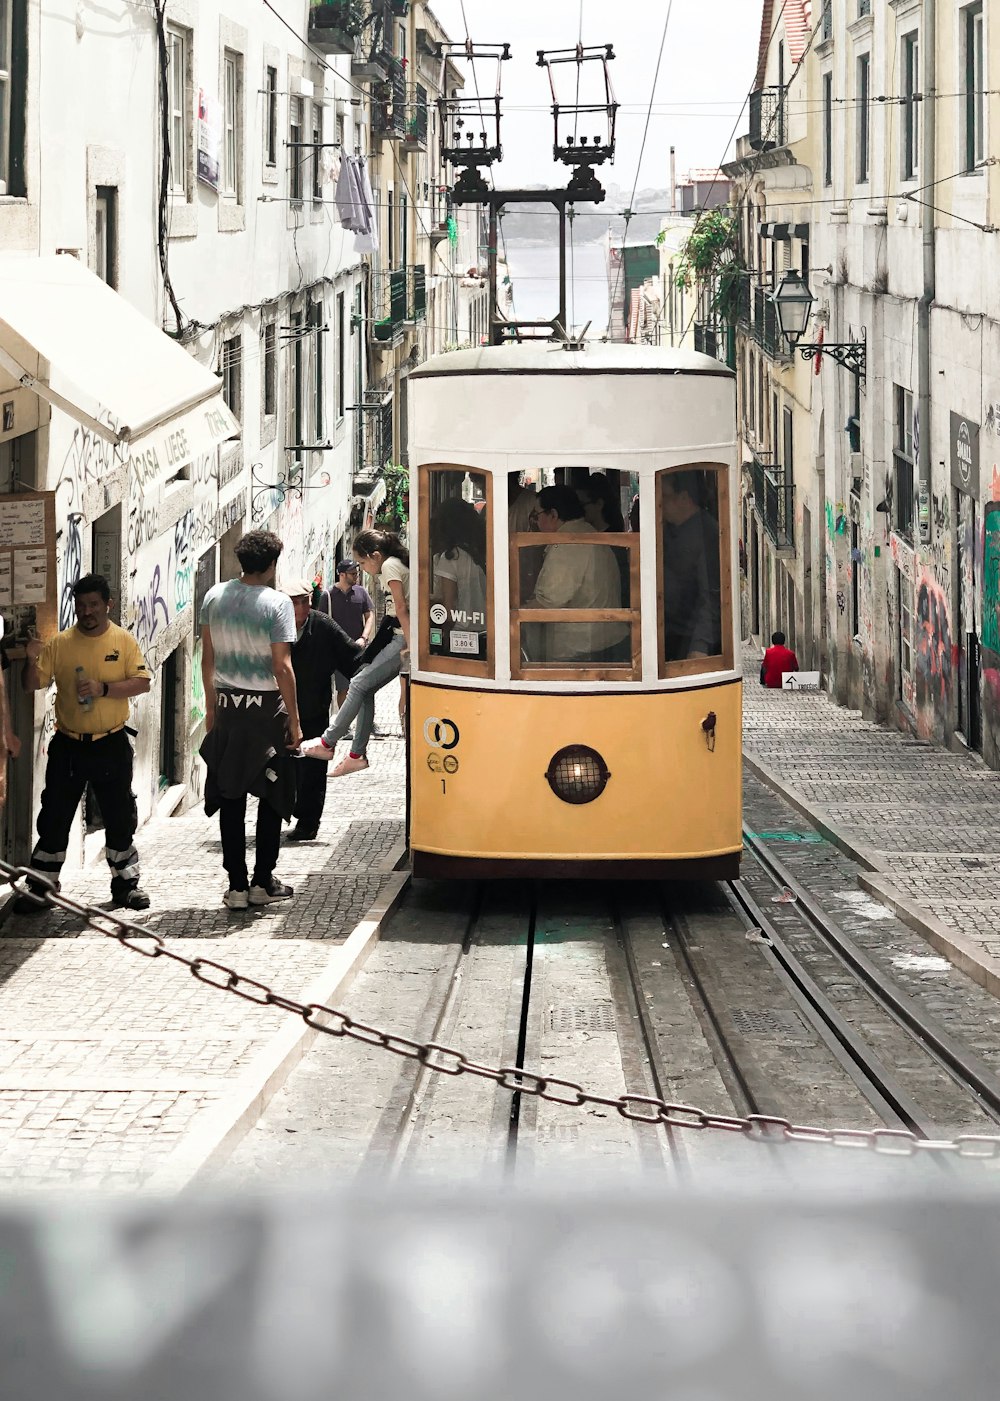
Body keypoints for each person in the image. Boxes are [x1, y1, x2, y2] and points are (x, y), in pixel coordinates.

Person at [15, 574, 151, 913]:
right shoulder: (60, 643)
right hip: (69, 745)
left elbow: (142, 683)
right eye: (81, 606)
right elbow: (31, 685)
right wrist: (32, 658)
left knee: (120, 817)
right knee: (54, 817)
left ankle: (126, 885)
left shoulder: (124, 641)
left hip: (111, 744)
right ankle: (42, 886)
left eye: (93, 605)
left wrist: (104, 689)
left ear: (108, 605)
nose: (86, 612)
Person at [199, 530, 301, 910]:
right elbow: (282, 666)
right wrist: (295, 719)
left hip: (228, 708)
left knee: (231, 796)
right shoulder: (277, 605)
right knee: (272, 795)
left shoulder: (214, 597)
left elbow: (207, 657)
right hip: (266, 711)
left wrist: (211, 707)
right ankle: (262, 882)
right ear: (272, 564)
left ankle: (236, 886)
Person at [299, 528, 409, 775]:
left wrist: (411, 645)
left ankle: (328, 742)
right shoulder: (392, 564)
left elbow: (401, 607)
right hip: (398, 636)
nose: (362, 570)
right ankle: (356, 754)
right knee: (364, 688)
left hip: (402, 638)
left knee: (358, 683)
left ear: (375, 556)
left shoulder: (389, 566)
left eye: (362, 563)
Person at [283, 579, 362, 842]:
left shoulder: (323, 626)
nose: (301, 607)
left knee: (313, 770)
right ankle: (283, 812)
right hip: (280, 712)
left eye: (305, 600)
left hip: (314, 710)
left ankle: (308, 823)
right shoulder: (271, 626)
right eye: (294, 602)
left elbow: (352, 658)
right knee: (284, 769)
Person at [524, 485, 627, 663]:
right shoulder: (588, 532)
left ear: (553, 515)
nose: (536, 523)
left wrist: (512, 613)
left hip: (582, 650)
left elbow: (548, 602)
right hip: (603, 640)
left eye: (537, 515)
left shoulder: (567, 544)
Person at [661, 470, 722, 662]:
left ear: (684, 497)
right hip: (671, 632)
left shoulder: (706, 533)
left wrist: (700, 646)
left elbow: (712, 593)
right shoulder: (669, 528)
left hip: (687, 640)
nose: (659, 503)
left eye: (664, 496)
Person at [431, 496, 487, 642]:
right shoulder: (484, 552)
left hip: (461, 635)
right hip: (488, 630)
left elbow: (449, 611)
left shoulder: (451, 558)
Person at [328, 559, 374, 707]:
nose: (356, 576)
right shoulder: (328, 595)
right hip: (339, 652)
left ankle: (364, 720)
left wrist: (364, 637)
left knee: (364, 687)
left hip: (359, 648)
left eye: (357, 573)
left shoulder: (361, 592)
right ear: (342, 575)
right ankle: (344, 725)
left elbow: (370, 615)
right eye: (353, 573)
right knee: (343, 689)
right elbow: (323, 621)